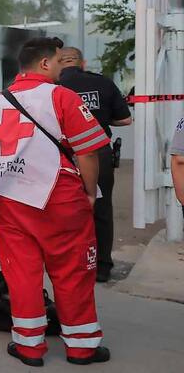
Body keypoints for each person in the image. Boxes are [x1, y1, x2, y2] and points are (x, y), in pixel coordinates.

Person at [0, 37, 110, 366]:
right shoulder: (62, 97)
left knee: (21, 274)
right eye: (60, 61)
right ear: (45, 63)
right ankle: (82, 347)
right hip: (59, 197)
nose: (63, 67)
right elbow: (88, 152)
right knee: (73, 271)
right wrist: (89, 192)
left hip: (10, 199)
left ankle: (29, 346)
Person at [58, 46, 132, 282]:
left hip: (61, 153)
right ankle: (101, 266)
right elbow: (125, 119)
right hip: (98, 152)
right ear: (83, 63)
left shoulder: (52, 86)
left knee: (63, 208)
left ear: (59, 62)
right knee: (101, 208)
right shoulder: (103, 83)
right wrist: (96, 117)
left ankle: (69, 263)